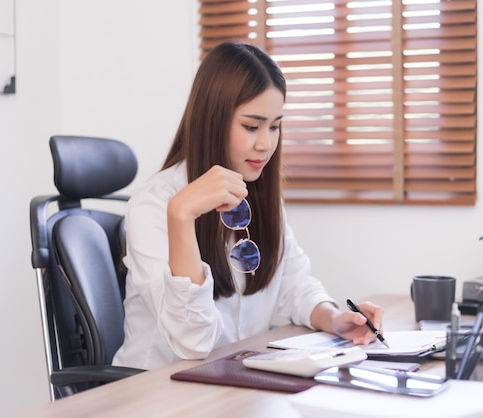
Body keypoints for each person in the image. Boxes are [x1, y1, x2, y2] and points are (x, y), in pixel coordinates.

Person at [112, 41, 386, 369]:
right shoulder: (154, 205)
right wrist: (181, 215)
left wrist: (335, 317)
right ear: (213, 120)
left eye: (275, 126)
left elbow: (295, 284)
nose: (265, 144)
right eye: (251, 126)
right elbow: (193, 343)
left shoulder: (254, 190)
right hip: (157, 393)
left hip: (233, 382)